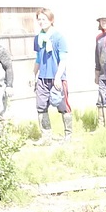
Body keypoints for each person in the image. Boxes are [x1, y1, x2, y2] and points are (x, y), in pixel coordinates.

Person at [33, 8, 72, 142]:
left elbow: (63, 60)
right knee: (41, 106)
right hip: (42, 78)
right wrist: (33, 74)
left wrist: (57, 77)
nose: (41, 22)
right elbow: (38, 58)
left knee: (63, 106)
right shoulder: (38, 38)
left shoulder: (59, 37)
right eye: (39, 19)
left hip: (57, 78)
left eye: (44, 19)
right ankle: (46, 136)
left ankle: (68, 136)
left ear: (51, 20)